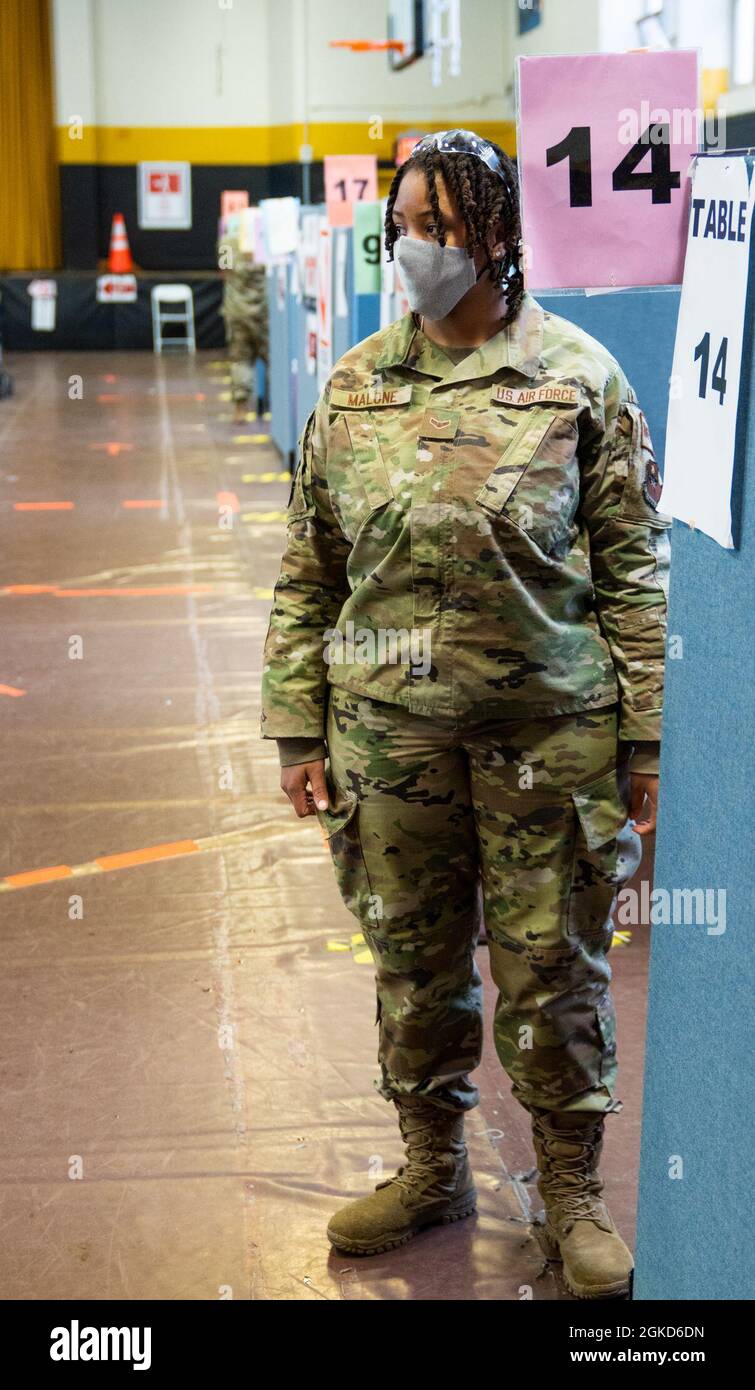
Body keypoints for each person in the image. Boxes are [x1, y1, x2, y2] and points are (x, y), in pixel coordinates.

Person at [259, 129, 671, 1299]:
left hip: (551, 733)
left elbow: (633, 573)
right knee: (411, 959)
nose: (411, 248)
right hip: (390, 738)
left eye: (436, 227)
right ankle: (430, 1163)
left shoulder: (579, 378)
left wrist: (640, 740)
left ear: (495, 237)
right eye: (401, 225)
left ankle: (570, 1191)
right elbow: (309, 567)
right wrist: (298, 728)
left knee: (555, 966)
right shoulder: (352, 383)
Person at [217, 213, 269, 422]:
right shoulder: (266, 241)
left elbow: (224, 270)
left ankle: (241, 407)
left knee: (240, 359)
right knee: (273, 359)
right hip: (265, 312)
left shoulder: (227, 242)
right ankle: (276, 410)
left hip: (237, 310)